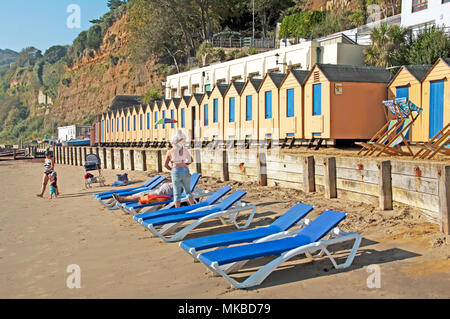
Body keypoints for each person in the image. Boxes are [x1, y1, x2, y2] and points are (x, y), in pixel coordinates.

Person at [164, 130, 195, 208]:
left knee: (176, 193)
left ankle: (177, 209)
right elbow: (191, 160)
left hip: (175, 170)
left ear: (173, 142)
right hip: (185, 169)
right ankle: (194, 207)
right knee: (188, 191)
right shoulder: (185, 150)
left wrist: (172, 169)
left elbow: (165, 165)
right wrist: (185, 164)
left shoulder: (170, 151)